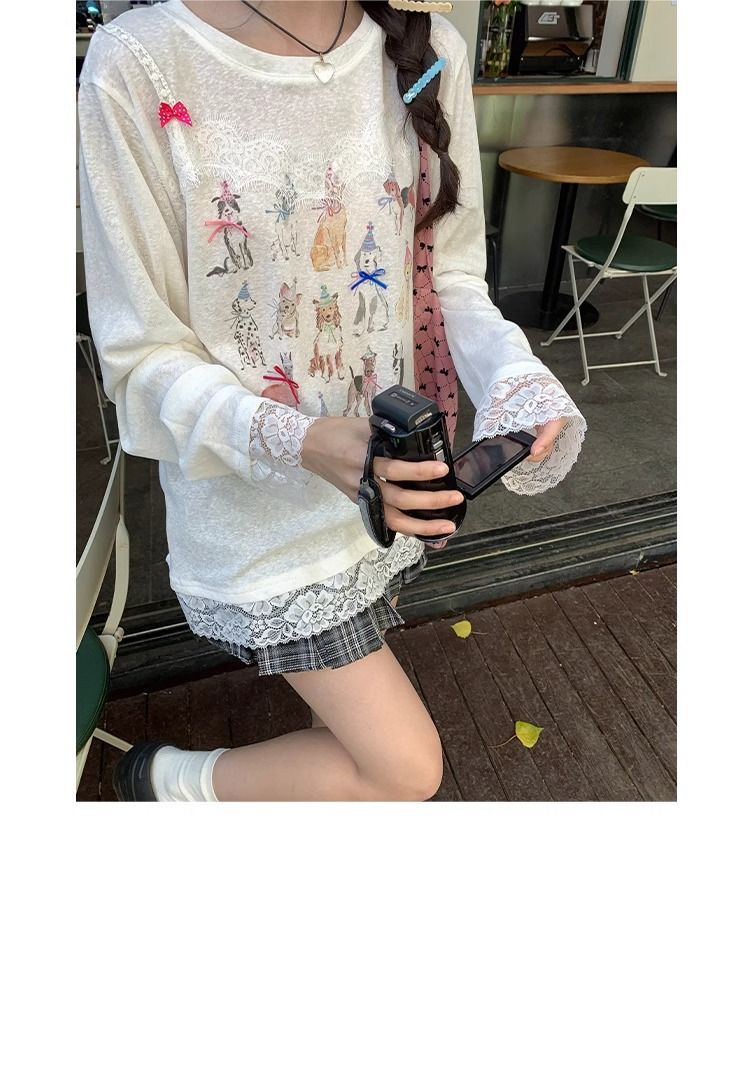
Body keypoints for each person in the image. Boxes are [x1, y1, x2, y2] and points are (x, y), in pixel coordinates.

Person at [78, 0, 586, 802]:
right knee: (401, 769)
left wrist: (512, 374)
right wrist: (303, 440)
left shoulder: (426, 48)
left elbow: (449, 276)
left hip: (388, 490)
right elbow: (141, 356)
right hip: (257, 518)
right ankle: (167, 783)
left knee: (344, 745)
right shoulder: (140, 62)